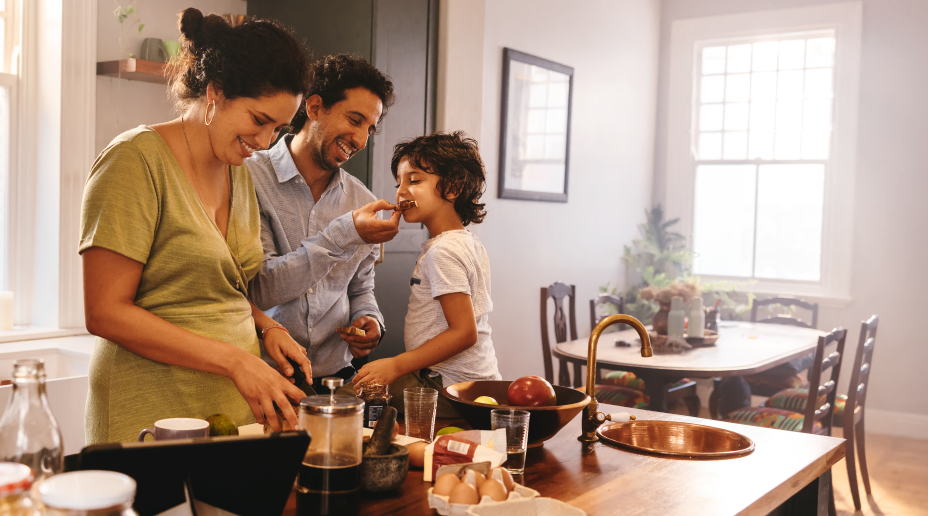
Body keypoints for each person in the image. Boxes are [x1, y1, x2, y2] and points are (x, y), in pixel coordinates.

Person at [79, 9, 312, 444]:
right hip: (148, 416)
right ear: (215, 92)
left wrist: (266, 326)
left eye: (279, 128)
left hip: (230, 417)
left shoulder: (239, 172)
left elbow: (213, 288)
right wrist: (236, 361)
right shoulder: (134, 161)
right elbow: (104, 312)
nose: (265, 142)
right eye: (259, 120)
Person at [247, 54, 399, 394]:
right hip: (265, 378)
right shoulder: (249, 178)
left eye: (369, 129)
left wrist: (370, 320)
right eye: (355, 120)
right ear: (315, 107)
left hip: (336, 379)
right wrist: (345, 233)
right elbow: (260, 289)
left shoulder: (362, 200)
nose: (361, 140)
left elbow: (360, 288)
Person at [352, 132, 501, 417]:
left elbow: (464, 333)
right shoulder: (466, 242)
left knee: (348, 402)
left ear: (453, 188)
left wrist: (396, 365)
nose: (400, 192)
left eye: (414, 180)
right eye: (398, 182)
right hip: (468, 382)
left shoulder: (443, 252)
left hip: (445, 385)